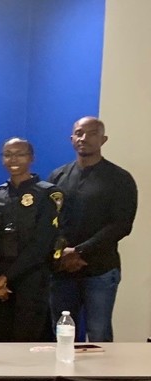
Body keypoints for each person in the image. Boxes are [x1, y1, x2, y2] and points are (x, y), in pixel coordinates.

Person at [48, 116, 137, 342]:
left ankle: (100, 379)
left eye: (91, 133)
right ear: (71, 138)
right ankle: (64, 378)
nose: (84, 138)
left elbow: (121, 225)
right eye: (79, 133)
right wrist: (62, 254)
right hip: (62, 271)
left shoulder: (120, 179)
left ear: (103, 139)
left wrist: (80, 252)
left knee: (98, 334)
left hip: (100, 269)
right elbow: (49, 222)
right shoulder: (58, 177)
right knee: (63, 334)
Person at [0, 138, 61, 343]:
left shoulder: (48, 194)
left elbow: (41, 244)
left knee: (27, 342)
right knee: (1, 339)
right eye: (7, 154)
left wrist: (5, 278)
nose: (13, 159)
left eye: (20, 154)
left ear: (31, 158)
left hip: (31, 278)